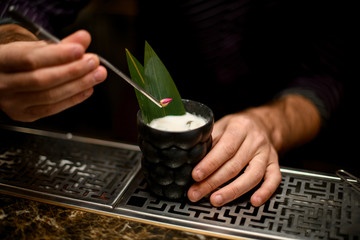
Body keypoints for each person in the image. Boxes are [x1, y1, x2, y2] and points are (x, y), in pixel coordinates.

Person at [0, 0, 351, 208]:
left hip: (289, 150)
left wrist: (272, 124)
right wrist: (13, 44)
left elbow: (328, 74)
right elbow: (26, 8)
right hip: (161, 125)